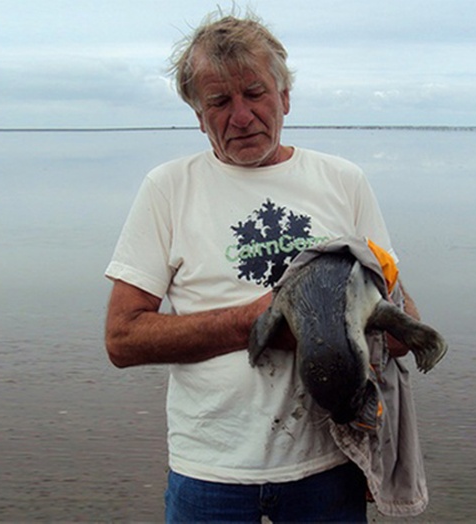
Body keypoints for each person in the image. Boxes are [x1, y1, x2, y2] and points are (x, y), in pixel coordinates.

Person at [104, 9, 423, 522]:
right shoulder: (167, 189)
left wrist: (352, 322)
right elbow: (122, 340)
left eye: (255, 93)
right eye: (219, 102)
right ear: (198, 115)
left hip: (329, 466)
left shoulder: (344, 181)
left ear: (285, 96)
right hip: (211, 473)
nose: (241, 115)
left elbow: (404, 327)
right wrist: (253, 323)